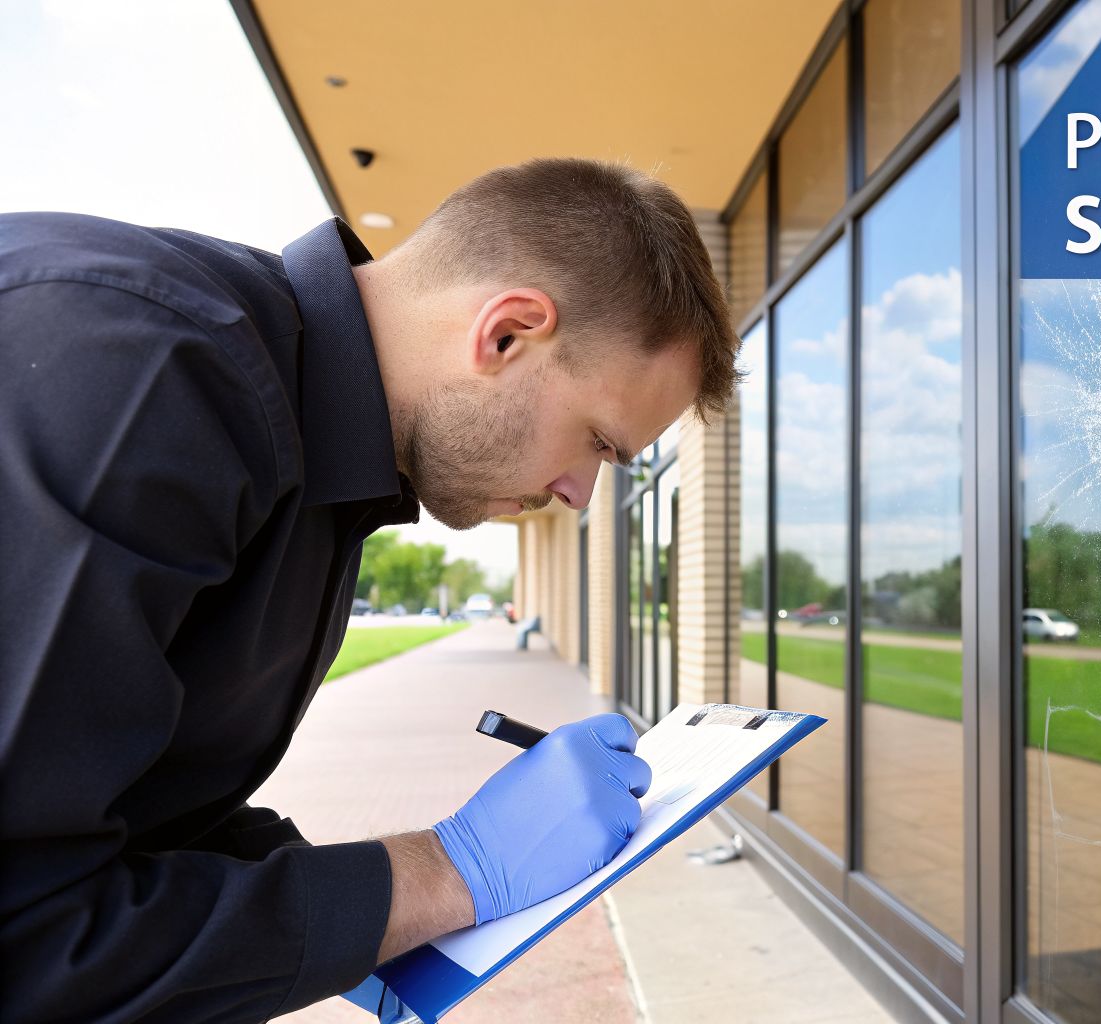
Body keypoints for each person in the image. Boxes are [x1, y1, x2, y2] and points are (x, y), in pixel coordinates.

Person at [0, 159, 740, 1021]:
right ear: (507, 335)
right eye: (599, 443)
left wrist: (346, 916)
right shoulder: (147, 370)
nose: (580, 494)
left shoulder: (318, 461)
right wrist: (447, 872)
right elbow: (28, 927)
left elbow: (132, 802)